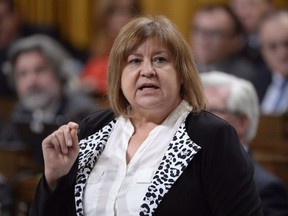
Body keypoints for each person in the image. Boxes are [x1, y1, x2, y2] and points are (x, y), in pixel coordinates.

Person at [29, 15, 263, 216]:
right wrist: (54, 179)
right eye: (134, 61)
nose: (147, 71)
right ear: (119, 76)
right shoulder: (91, 130)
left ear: (182, 74)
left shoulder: (211, 137)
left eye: (160, 60)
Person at [201, 71, 288, 216]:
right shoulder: (188, 174)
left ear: (242, 122)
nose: (200, 119)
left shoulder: (266, 190)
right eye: (197, 110)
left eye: (212, 111)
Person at [3, 34, 99, 164]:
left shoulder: (83, 113)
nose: (31, 81)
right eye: (22, 74)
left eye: (40, 70)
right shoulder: (20, 112)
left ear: (59, 72)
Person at [79, 0, 141, 95]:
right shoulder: (95, 56)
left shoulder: (143, 53)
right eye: (117, 12)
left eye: (131, 11)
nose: (125, 18)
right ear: (104, 18)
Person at [190, 4, 257, 85]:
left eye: (214, 33)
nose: (202, 39)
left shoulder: (246, 78)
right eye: (197, 30)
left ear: (235, 41)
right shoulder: (181, 69)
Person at [229, 0, 274, 103]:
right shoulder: (226, 43)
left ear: (270, 6)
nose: (244, 11)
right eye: (238, 5)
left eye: (252, 3)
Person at [258, 10, 288, 115]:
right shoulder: (257, 83)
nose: (282, 52)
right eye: (272, 46)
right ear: (263, 52)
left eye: (287, 43)